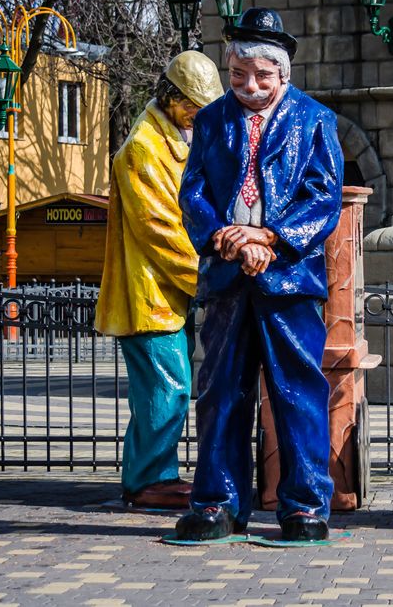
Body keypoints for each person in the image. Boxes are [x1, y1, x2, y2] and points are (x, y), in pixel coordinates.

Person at [174, 8, 343, 542]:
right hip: (228, 277)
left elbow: (323, 197)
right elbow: (194, 190)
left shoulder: (314, 119)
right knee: (221, 390)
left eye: (261, 76)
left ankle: (304, 505)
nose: (248, 85)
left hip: (287, 277)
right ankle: (217, 502)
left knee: (296, 391)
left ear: (283, 75)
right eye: (238, 74)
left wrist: (271, 238)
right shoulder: (210, 121)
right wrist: (223, 235)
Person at [95, 51, 223, 509]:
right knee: (167, 387)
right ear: (171, 98)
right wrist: (210, 277)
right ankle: (150, 480)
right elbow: (162, 232)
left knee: (165, 386)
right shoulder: (142, 150)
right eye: (194, 104)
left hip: (168, 297)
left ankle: (152, 474)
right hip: (148, 296)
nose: (200, 114)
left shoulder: (172, 142)